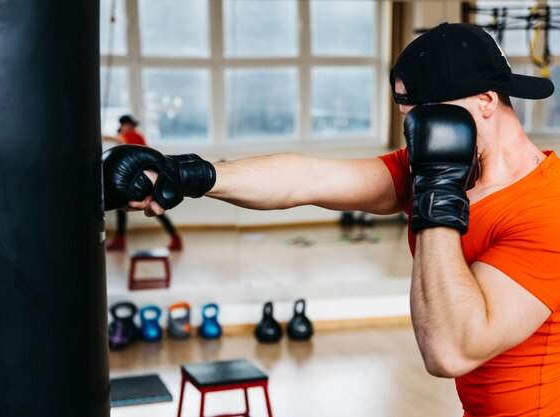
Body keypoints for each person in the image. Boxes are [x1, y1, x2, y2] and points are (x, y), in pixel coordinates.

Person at [101, 23, 560, 415]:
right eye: (409, 117)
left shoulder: (547, 207)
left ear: (485, 100)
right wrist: (192, 174)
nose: (417, 130)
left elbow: (451, 349)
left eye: (426, 116)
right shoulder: (438, 168)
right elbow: (307, 178)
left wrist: (436, 190)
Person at [102, 115, 182, 251]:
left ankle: (175, 239)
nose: (127, 127)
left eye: (128, 125)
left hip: (144, 177)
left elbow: (120, 140)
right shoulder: (127, 135)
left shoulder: (133, 135)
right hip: (138, 177)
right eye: (126, 125)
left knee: (157, 208)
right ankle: (120, 239)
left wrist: (102, 136)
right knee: (122, 208)